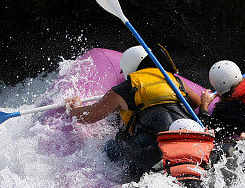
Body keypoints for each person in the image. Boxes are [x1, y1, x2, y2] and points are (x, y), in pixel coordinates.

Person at [66, 46, 206, 179]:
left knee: (108, 148)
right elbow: (197, 104)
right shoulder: (174, 80)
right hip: (191, 145)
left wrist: (74, 109)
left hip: (153, 152)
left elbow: (88, 116)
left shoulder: (125, 89)